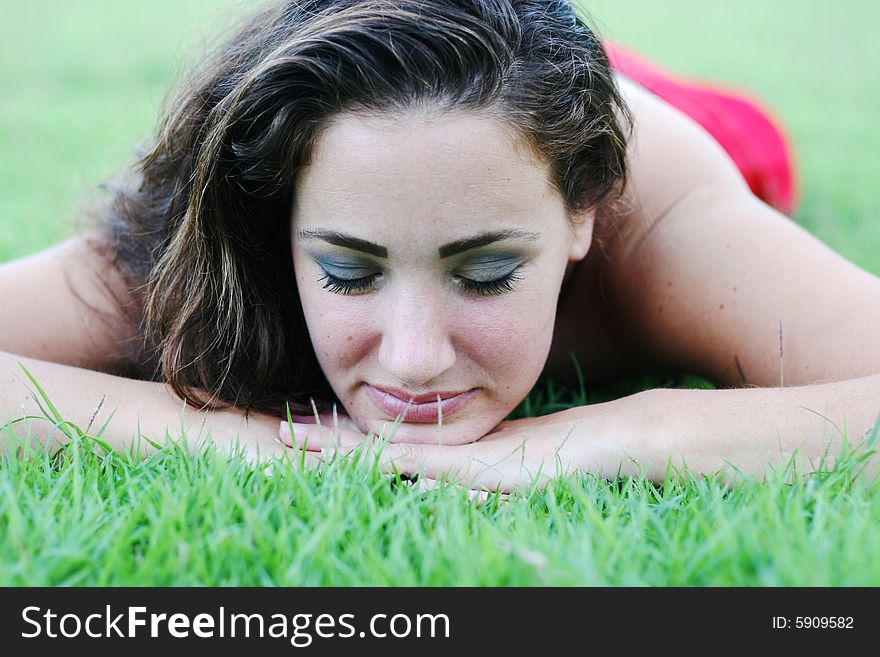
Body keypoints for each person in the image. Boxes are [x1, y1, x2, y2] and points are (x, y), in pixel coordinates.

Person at [1, 0, 878, 493]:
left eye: (488, 273)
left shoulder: (658, 217)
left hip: (649, 110)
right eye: (347, 270)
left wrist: (621, 433)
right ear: (280, 216)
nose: (415, 359)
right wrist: (255, 441)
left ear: (582, 213)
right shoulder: (217, 226)